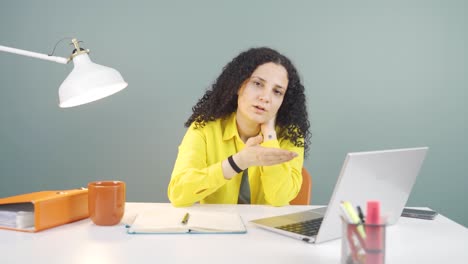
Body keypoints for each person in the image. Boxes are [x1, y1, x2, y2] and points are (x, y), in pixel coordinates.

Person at [168, 47, 311, 207]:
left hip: (267, 230)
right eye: (257, 84)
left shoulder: (290, 134)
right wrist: (239, 161)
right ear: (238, 85)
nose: (265, 97)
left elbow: (279, 198)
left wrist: (270, 136)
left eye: (277, 92)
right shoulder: (205, 128)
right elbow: (178, 193)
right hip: (217, 228)